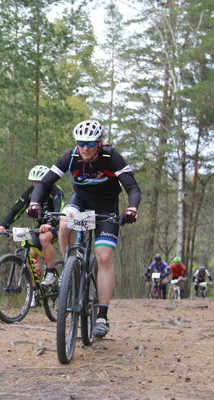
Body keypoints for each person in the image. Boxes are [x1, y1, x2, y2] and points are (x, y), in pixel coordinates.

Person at [27, 119, 141, 338]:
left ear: (99, 142)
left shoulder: (111, 157)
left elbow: (132, 187)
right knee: (64, 222)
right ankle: (71, 266)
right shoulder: (71, 157)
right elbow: (43, 183)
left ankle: (102, 317)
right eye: (81, 142)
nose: (85, 147)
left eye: (90, 143)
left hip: (107, 206)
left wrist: (132, 208)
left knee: (104, 256)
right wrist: (34, 202)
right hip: (80, 200)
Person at [0, 165, 64, 290]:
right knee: (28, 257)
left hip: (57, 226)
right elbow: (16, 209)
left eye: (39, 182)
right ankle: (34, 291)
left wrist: (50, 224)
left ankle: (51, 272)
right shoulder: (31, 192)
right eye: (34, 181)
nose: (36, 184)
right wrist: (4, 225)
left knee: (44, 238)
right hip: (39, 227)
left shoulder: (55, 190)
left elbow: (61, 209)